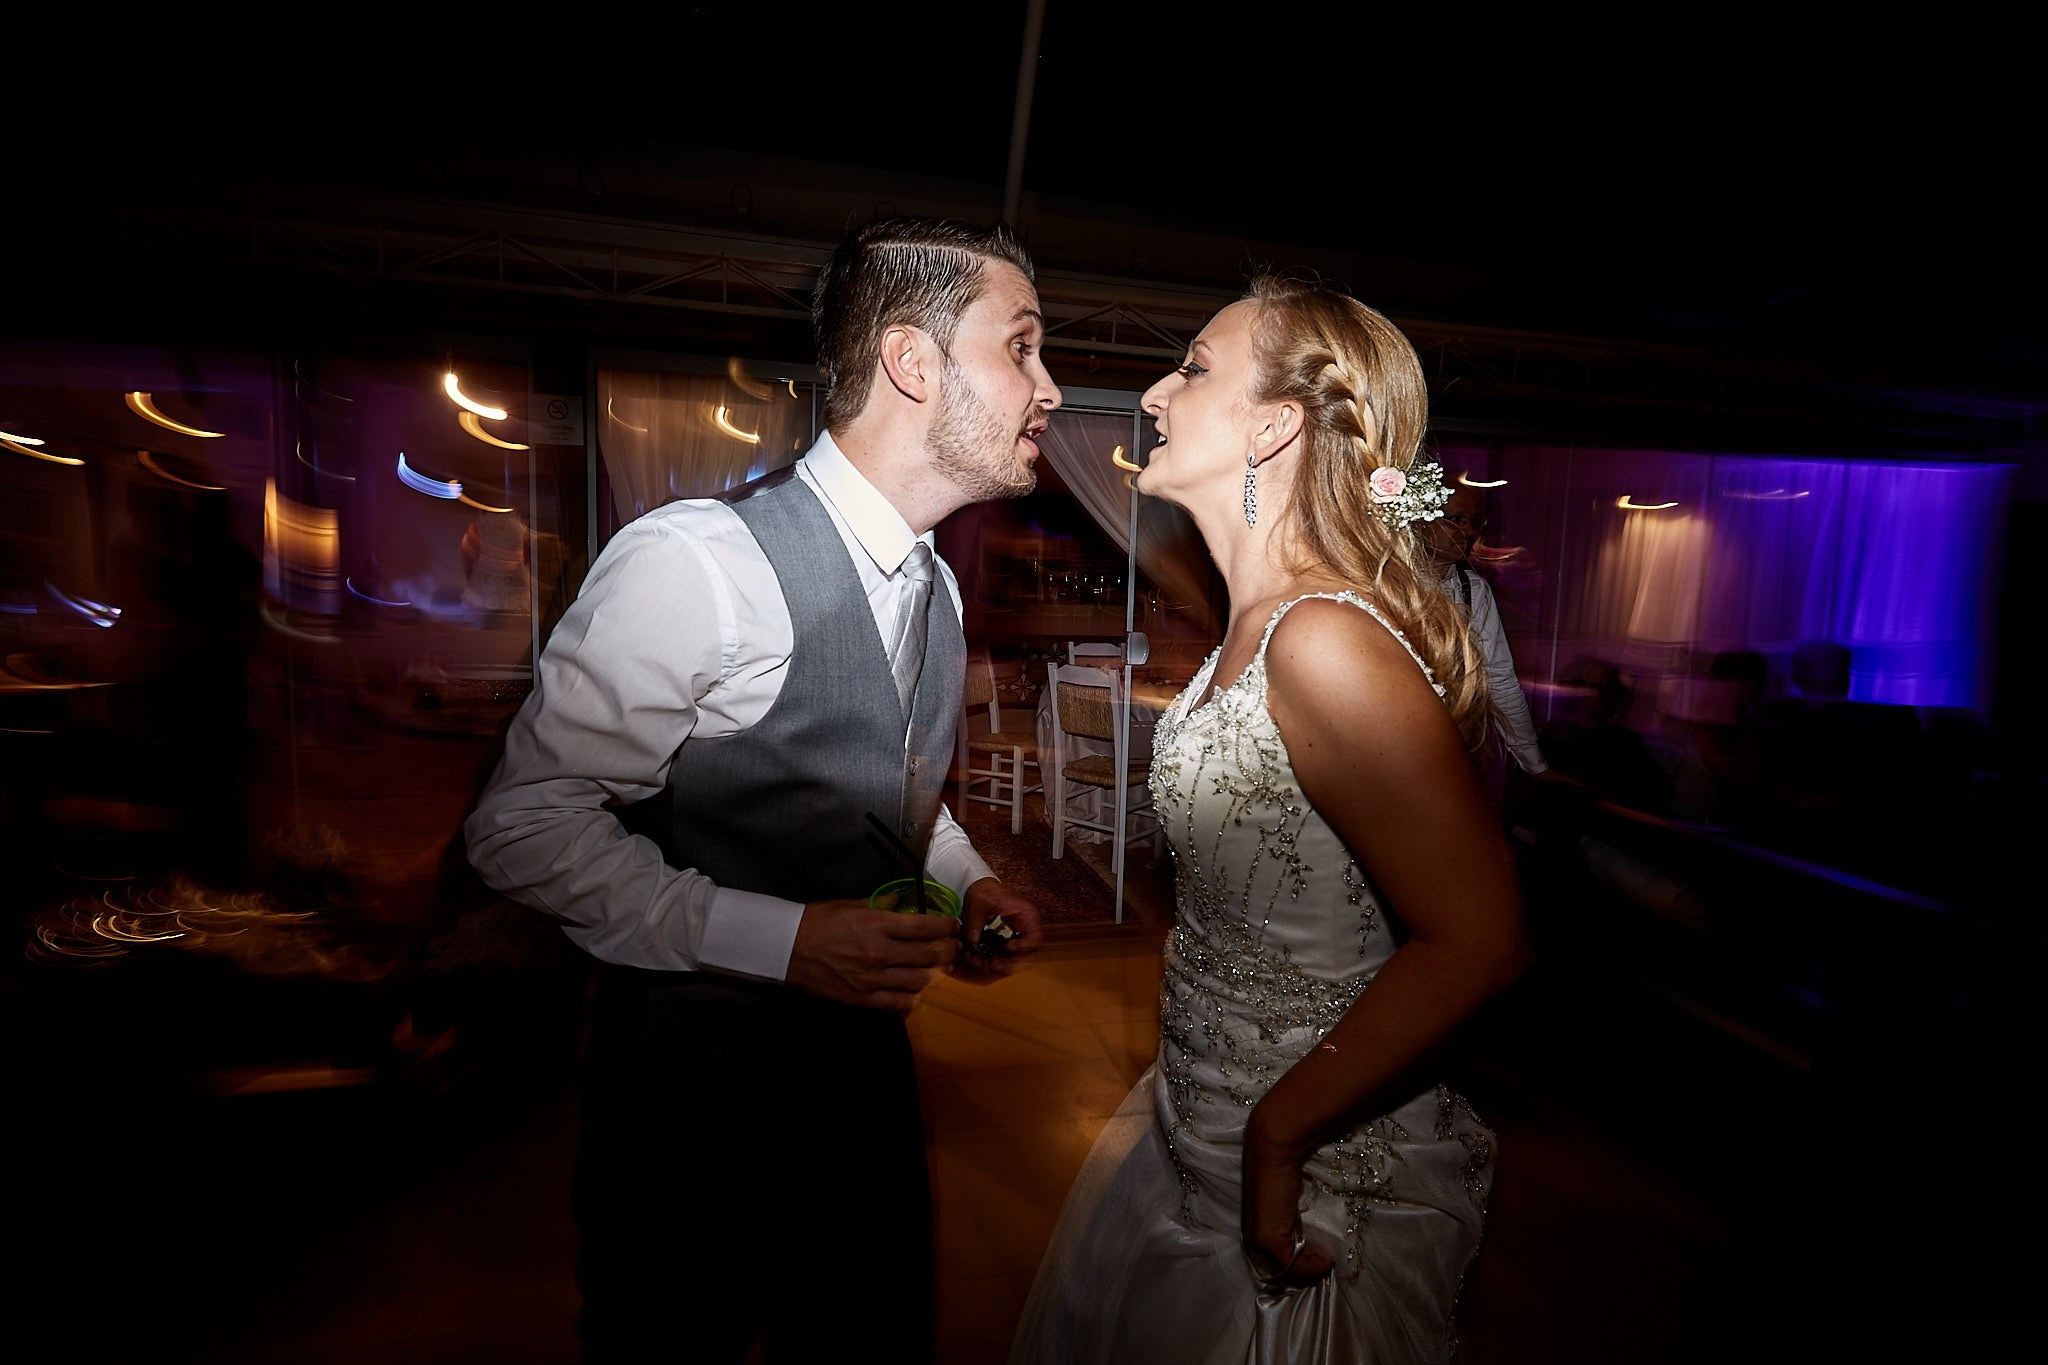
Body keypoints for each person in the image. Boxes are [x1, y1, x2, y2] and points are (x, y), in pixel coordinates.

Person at [464, 216, 1060, 1363]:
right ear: (911, 359)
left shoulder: (935, 586)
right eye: (1022, 346)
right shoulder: (699, 562)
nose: (1049, 388)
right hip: (690, 1109)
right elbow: (522, 826)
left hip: (864, 1091)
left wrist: (965, 880)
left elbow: (884, 789)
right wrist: (782, 941)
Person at [1008, 278, 1532, 1364]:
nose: (1155, 395)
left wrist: (1281, 1134)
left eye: (1193, 368)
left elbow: (1480, 939)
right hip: (1195, 1113)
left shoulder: (1323, 641)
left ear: (1274, 426)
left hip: (1302, 1146)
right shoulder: (1245, 627)